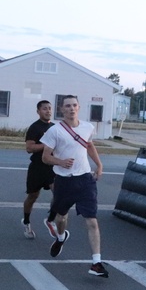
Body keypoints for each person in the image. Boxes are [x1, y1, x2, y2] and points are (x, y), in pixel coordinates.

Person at [40, 95, 108, 277]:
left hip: (85, 179)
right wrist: (60, 162)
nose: (71, 109)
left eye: (74, 105)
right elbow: (45, 157)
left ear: (79, 108)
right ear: (62, 109)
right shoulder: (54, 131)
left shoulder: (87, 127)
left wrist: (99, 165)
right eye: (67, 106)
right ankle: (61, 237)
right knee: (61, 218)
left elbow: (89, 146)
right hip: (64, 180)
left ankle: (96, 262)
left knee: (92, 221)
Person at [22, 100, 55, 239]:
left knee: (59, 194)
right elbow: (29, 148)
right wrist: (46, 145)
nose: (48, 111)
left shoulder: (55, 128)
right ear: (38, 111)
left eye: (49, 108)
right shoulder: (34, 128)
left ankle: (51, 219)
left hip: (52, 167)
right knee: (33, 196)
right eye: (44, 109)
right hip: (37, 167)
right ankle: (27, 222)